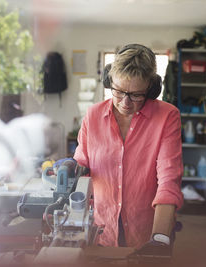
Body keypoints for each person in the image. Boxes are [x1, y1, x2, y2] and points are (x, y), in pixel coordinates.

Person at [73, 44, 183, 255]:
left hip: (147, 229)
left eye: (136, 95)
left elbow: (169, 180)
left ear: (151, 89)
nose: (125, 102)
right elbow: (81, 165)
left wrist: (159, 238)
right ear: (109, 81)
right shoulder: (93, 115)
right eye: (119, 91)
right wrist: (70, 168)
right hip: (101, 227)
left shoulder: (167, 117)